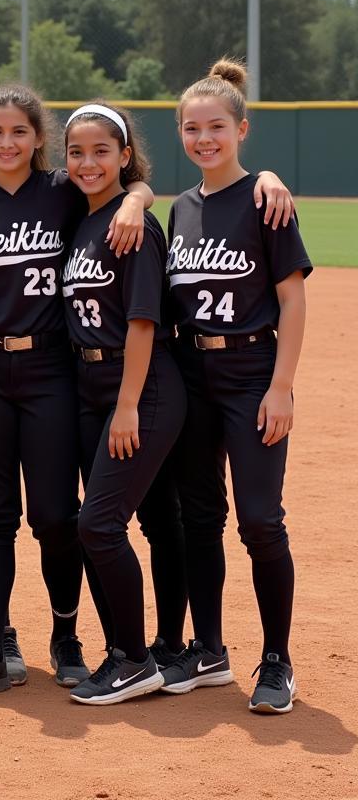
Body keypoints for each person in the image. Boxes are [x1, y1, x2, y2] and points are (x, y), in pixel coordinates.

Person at [0, 84, 155, 703]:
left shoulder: (62, 194)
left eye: (19, 133)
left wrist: (138, 195)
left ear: (38, 140)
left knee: (57, 516)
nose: (6, 144)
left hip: (51, 371)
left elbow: (121, 187)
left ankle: (66, 636)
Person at [161, 60, 311, 714]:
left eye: (216, 127)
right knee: (201, 517)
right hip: (193, 374)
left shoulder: (264, 201)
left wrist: (282, 387)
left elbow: (294, 300)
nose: (204, 139)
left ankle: (276, 659)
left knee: (259, 520)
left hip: (252, 373)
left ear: (241, 128)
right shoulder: (180, 208)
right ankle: (210, 649)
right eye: (192, 129)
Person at [60, 102, 187, 704]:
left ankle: (137, 660)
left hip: (139, 388)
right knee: (117, 522)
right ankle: (130, 650)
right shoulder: (84, 217)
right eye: (77, 152)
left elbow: (142, 322)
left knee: (98, 523)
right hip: (90, 390)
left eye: (101, 151)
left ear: (125, 156)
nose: (88, 162)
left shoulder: (133, 224)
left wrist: (129, 405)